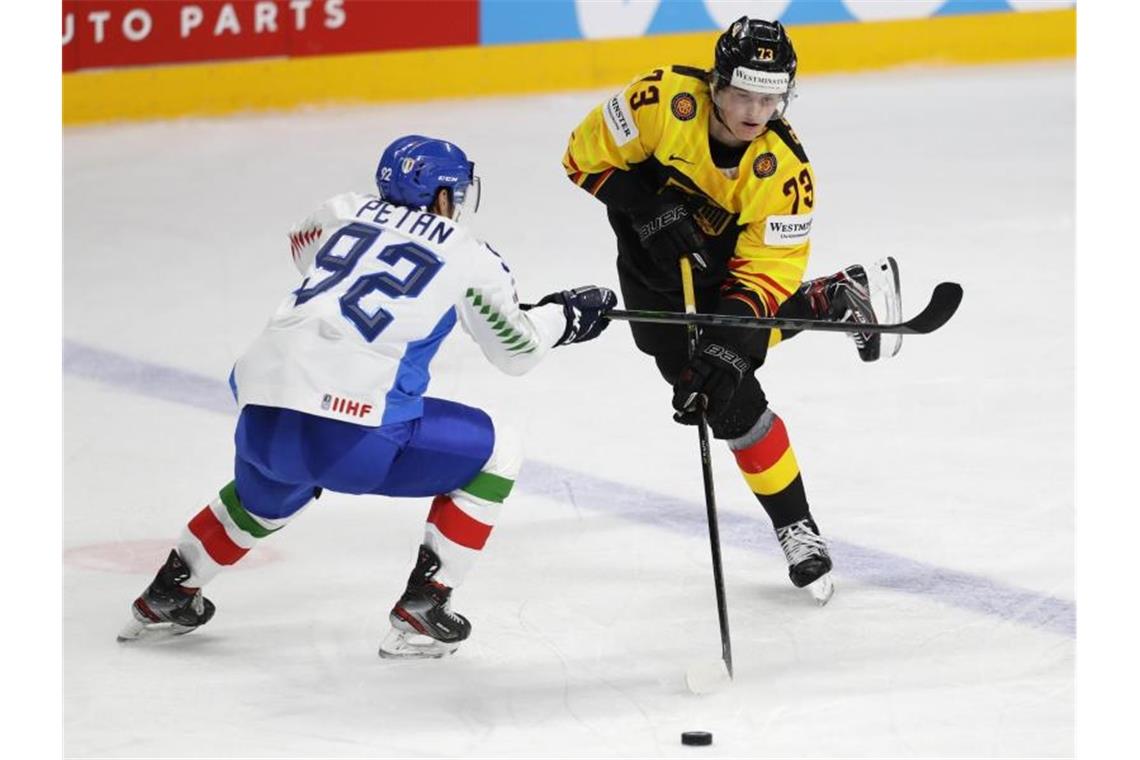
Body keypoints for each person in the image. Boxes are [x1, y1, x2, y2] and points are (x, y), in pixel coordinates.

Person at [118, 135, 617, 658]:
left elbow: (301, 247)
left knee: (277, 482)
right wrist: (567, 315)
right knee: (499, 451)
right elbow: (516, 349)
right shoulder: (470, 257)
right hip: (353, 442)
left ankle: (169, 591)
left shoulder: (340, 214)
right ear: (443, 198)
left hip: (259, 420)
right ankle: (428, 602)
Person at [562, 17, 903, 604]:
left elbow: (765, 272)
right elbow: (581, 157)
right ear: (716, 84)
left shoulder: (784, 171)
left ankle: (796, 526)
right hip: (649, 264)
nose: (754, 111)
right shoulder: (659, 99)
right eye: (742, 93)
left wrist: (729, 346)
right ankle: (828, 299)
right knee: (663, 349)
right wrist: (647, 207)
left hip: (727, 270)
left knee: (725, 390)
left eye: (770, 97)